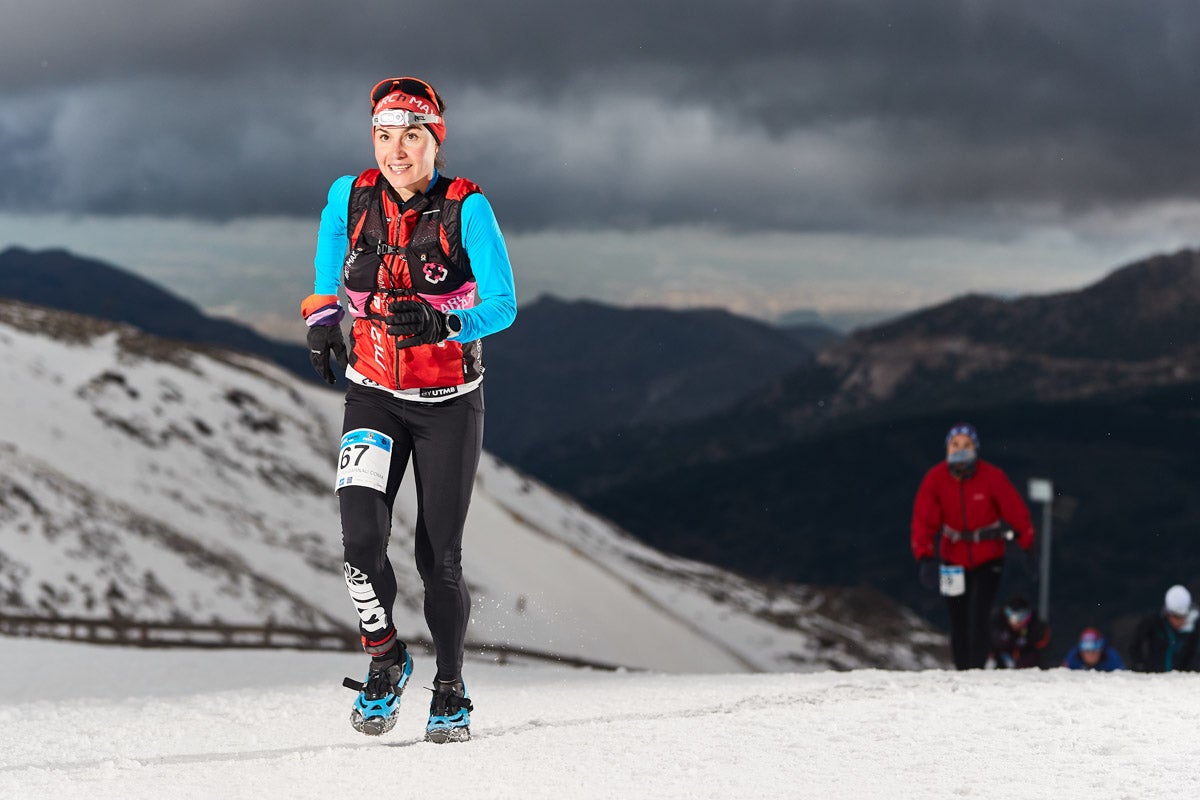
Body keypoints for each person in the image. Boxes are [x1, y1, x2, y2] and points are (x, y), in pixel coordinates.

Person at [301, 75, 517, 743]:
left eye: (412, 136)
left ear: (435, 142)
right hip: (373, 393)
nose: (397, 151)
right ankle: (385, 658)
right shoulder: (350, 194)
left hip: (448, 403)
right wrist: (322, 316)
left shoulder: (467, 209)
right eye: (385, 136)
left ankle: (449, 688)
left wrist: (444, 323)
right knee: (360, 546)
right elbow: (326, 261)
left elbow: (504, 305)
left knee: (437, 560)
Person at [910, 423, 1036, 670]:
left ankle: (977, 672)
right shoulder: (935, 479)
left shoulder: (992, 477)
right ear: (947, 448)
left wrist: (1028, 546)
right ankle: (962, 670)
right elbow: (923, 520)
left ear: (976, 449)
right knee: (957, 618)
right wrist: (925, 556)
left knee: (981, 615)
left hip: (990, 556)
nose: (960, 449)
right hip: (951, 558)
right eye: (955, 444)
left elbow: (1016, 512)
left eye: (966, 445)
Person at [1129, 584, 1200, 673]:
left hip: (1181, 680)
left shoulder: (1193, 629)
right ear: (1168, 612)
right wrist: (1140, 666)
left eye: (1183, 617)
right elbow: (1135, 645)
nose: (1180, 621)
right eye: (1176, 617)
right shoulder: (1154, 623)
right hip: (1154, 678)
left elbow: (1194, 656)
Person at [989, 595, 1050, 669]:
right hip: (1002, 668)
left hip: (1029, 670)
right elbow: (993, 647)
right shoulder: (999, 625)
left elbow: (1042, 653)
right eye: (1011, 615)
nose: (1015, 621)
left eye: (1021, 616)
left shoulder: (1036, 628)